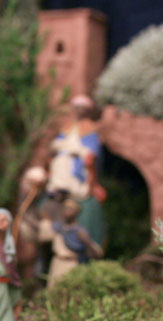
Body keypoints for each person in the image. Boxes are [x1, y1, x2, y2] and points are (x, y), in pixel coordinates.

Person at [45, 94, 106, 245]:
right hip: (63, 163)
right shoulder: (68, 127)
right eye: (77, 108)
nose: (79, 111)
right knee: (60, 163)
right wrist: (64, 148)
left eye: (82, 108)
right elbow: (57, 144)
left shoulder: (91, 129)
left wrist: (78, 151)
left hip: (77, 166)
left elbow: (91, 151)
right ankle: (58, 191)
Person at [38, 198, 103, 288]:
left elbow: (96, 253)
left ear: (76, 212)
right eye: (65, 208)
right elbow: (42, 232)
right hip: (57, 263)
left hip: (72, 264)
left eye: (70, 209)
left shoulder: (80, 231)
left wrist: (87, 241)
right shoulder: (58, 227)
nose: (67, 211)